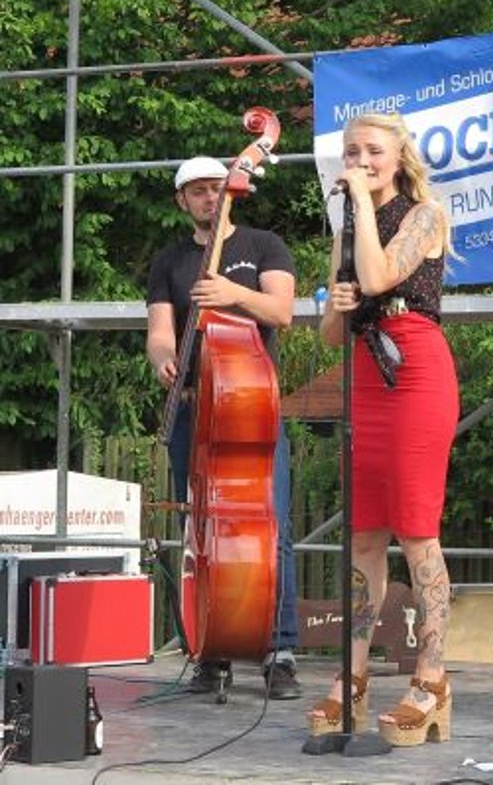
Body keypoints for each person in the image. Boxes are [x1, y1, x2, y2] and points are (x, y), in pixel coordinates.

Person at [311, 113, 459, 747]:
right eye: (350, 151)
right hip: (366, 372)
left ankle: (432, 680)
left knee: (417, 530)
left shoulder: (425, 215)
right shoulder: (348, 228)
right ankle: (355, 672)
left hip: (417, 369)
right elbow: (332, 329)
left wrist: (362, 211)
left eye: (372, 151)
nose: (359, 160)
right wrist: (334, 311)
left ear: (398, 158)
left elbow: (378, 279)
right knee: (364, 535)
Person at [146, 156, 301, 700]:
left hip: (251, 412)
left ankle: (279, 650)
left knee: (270, 527)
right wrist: (163, 360)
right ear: (182, 201)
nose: (210, 198)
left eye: (216, 188)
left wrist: (233, 295)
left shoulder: (263, 246)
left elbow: (282, 311)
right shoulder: (169, 261)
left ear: (231, 191)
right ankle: (211, 649)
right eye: (198, 192)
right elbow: (160, 333)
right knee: (200, 535)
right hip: (194, 410)